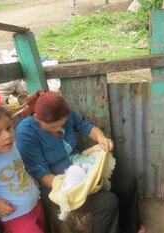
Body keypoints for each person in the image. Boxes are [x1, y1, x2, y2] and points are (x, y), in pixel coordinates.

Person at [15, 90, 144, 233]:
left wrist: (102, 139)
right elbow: (41, 174)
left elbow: (86, 126)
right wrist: (79, 186)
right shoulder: (25, 133)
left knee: (128, 182)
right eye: (52, 127)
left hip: (82, 165)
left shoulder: (65, 113)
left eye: (63, 124)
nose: (59, 129)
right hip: (59, 183)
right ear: (37, 118)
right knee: (108, 202)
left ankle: (131, 227)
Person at [0, 104, 44, 233]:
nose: (7, 136)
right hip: (16, 216)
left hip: (36, 205)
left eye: (8, 128)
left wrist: (29, 177)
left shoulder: (12, 146)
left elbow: (18, 166)